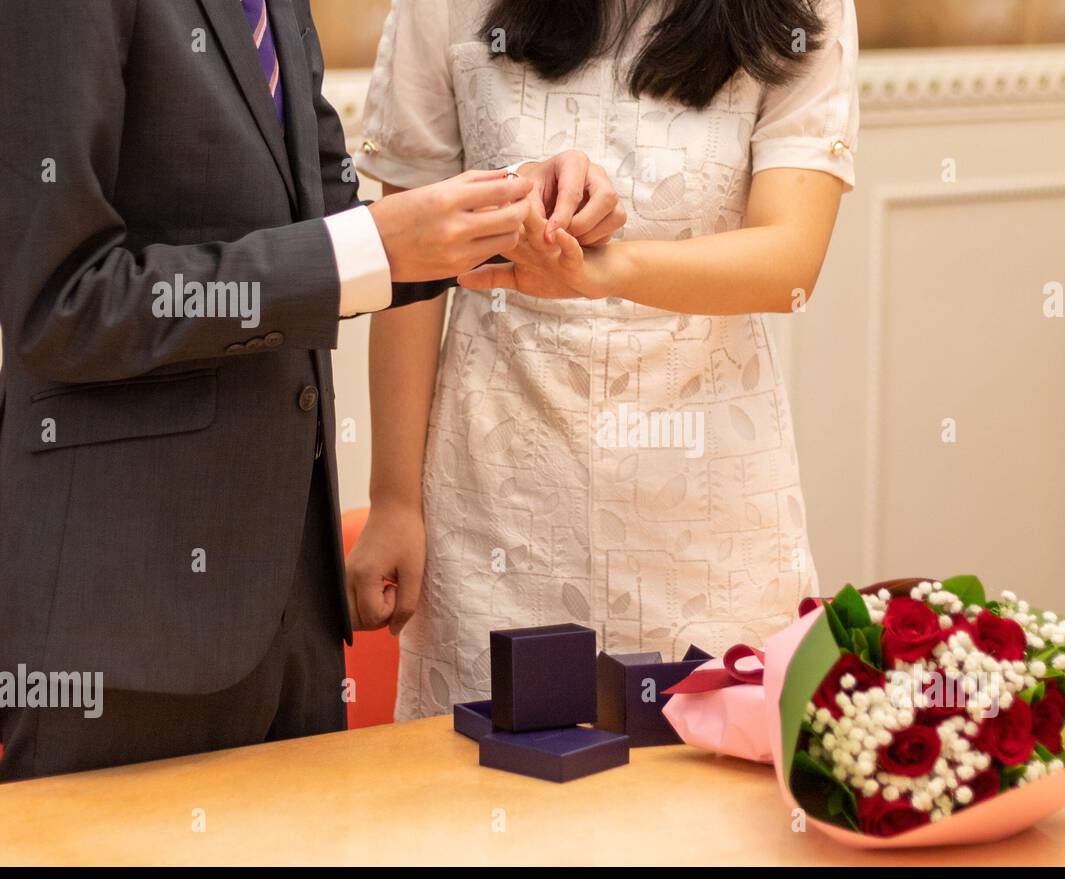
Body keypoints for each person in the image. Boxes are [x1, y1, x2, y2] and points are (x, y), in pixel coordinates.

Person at [0, 0, 618, 781]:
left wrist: (511, 204)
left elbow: (331, 223)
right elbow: (59, 303)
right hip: (124, 631)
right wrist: (359, 249)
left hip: (298, 619)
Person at [348, 0, 860, 718]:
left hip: (709, 502)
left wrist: (606, 272)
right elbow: (410, 267)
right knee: (486, 796)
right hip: (497, 499)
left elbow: (792, 261)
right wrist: (395, 499)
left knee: (710, 799)